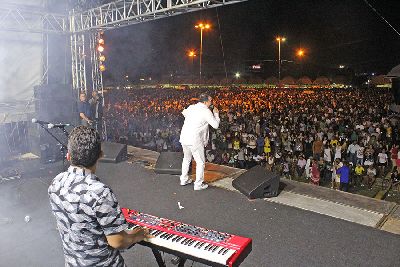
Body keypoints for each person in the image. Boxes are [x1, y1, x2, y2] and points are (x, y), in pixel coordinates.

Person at [48, 126, 151, 266]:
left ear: (68, 156)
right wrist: (137, 236)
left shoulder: (56, 183)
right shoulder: (100, 193)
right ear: (100, 155)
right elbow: (117, 241)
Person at [179, 94, 220, 190]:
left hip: (185, 137)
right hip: (195, 139)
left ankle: (183, 179)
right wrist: (216, 114)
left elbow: (184, 113)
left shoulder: (191, 107)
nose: (211, 103)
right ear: (205, 102)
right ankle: (198, 184)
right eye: (210, 101)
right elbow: (215, 125)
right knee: (200, 162)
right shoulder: (206, 111)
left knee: (186, 159)